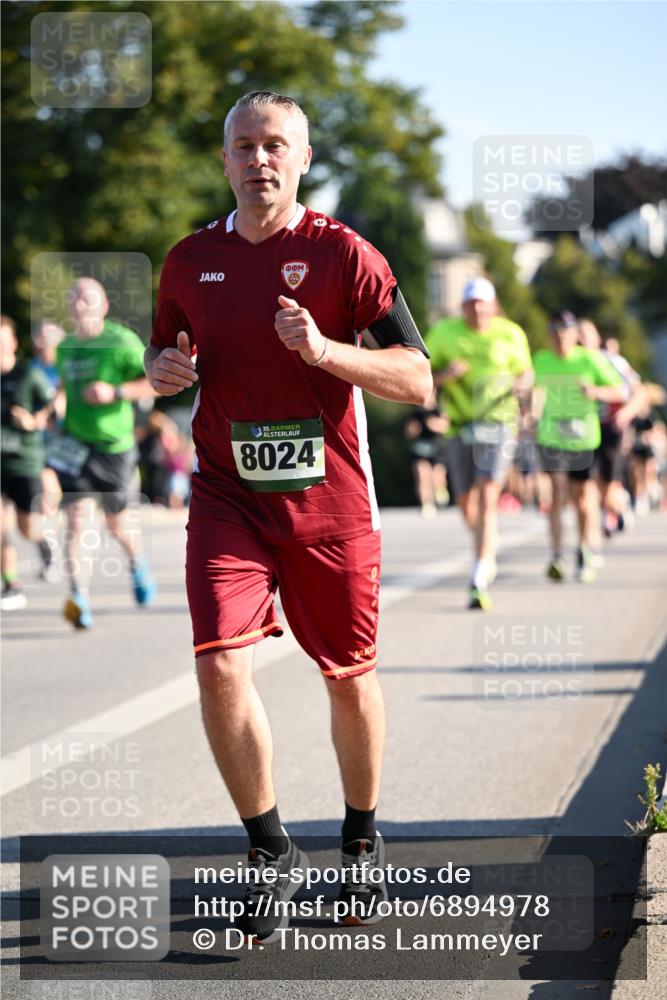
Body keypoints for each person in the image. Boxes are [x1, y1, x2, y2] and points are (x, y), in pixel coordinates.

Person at [144, 90, 432, 943]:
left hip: (329, 500)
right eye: (242, 146)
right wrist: (165, 369)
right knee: (220, 664)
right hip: (228, 495)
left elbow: (415, 377)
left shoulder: (345, 254)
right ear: (223, 160)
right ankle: (268, 851)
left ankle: (360, 837)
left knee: (345, 675)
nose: (257, 160)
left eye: (274, 146)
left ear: (302, 159)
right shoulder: (189, 261)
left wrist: (324, 351)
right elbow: (170, 354)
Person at [49, 278, 157, 629]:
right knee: (78, 519)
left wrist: (114, 392)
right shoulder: (65, 347)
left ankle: (137, 562)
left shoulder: (121, 341)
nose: (79, 303)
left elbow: (153, 382)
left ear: (103, 305)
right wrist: (55, 409)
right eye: (74, 297)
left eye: (87, 298)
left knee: (117, 524)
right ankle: (78, 596)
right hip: (77, 446)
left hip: (115, 448)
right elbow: (63, 388)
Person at [426, 277, 532, 610]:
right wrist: (446, 377)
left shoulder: (511, 333)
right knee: (464, 501)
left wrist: (520, 386)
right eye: (471, 303)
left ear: (493, 304)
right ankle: (485, 544)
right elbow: (420, 373)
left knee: (488, 496)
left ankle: (479, 572)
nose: (477, 309)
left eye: (483, 303)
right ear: (463, 307)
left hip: (499, 424)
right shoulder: (445, 333)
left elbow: (526, 372)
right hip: (460, 425)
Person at [532, 311, 625, 583]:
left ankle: (584, 549)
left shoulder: (590, 359)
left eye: (566, 332)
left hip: (582, 438)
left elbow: (620, 390)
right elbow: (535, 389)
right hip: (551, 436)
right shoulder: (542, 360)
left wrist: (597, 392)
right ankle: (557, 555)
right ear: (550, 336)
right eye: (556, 333)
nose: (561, 338)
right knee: (556, 496)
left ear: (575, 335)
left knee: (583, 499)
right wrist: (532, 411)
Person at [1, 315, 58, 609]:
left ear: (12, 343)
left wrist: (32, 421)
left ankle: (44, 544)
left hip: (24, 463)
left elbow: (55, 407)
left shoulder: (28, 375)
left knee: (26, 528)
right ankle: (11, 584)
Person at [578, 319, 642, 536]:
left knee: (607, 481)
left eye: (586, 335)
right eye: (579, 336)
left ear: (597, 338)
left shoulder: (613, 362)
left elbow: (636, 391)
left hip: (610, 428)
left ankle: (617, 506)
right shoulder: (572, 362)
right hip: (583, 429)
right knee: (589, 482)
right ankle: (597, 528)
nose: (582, 340)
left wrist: (626, 413)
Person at [404, 387, 449, 518]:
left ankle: (440, 490)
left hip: (437, 448)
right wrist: (413, 430)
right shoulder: (416, 412)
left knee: (437, 476)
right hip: (420, 448)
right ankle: (427, 504)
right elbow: (409, 431)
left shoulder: (439, 410)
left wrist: (434, 424)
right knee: (422, 475)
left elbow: (446, 426)